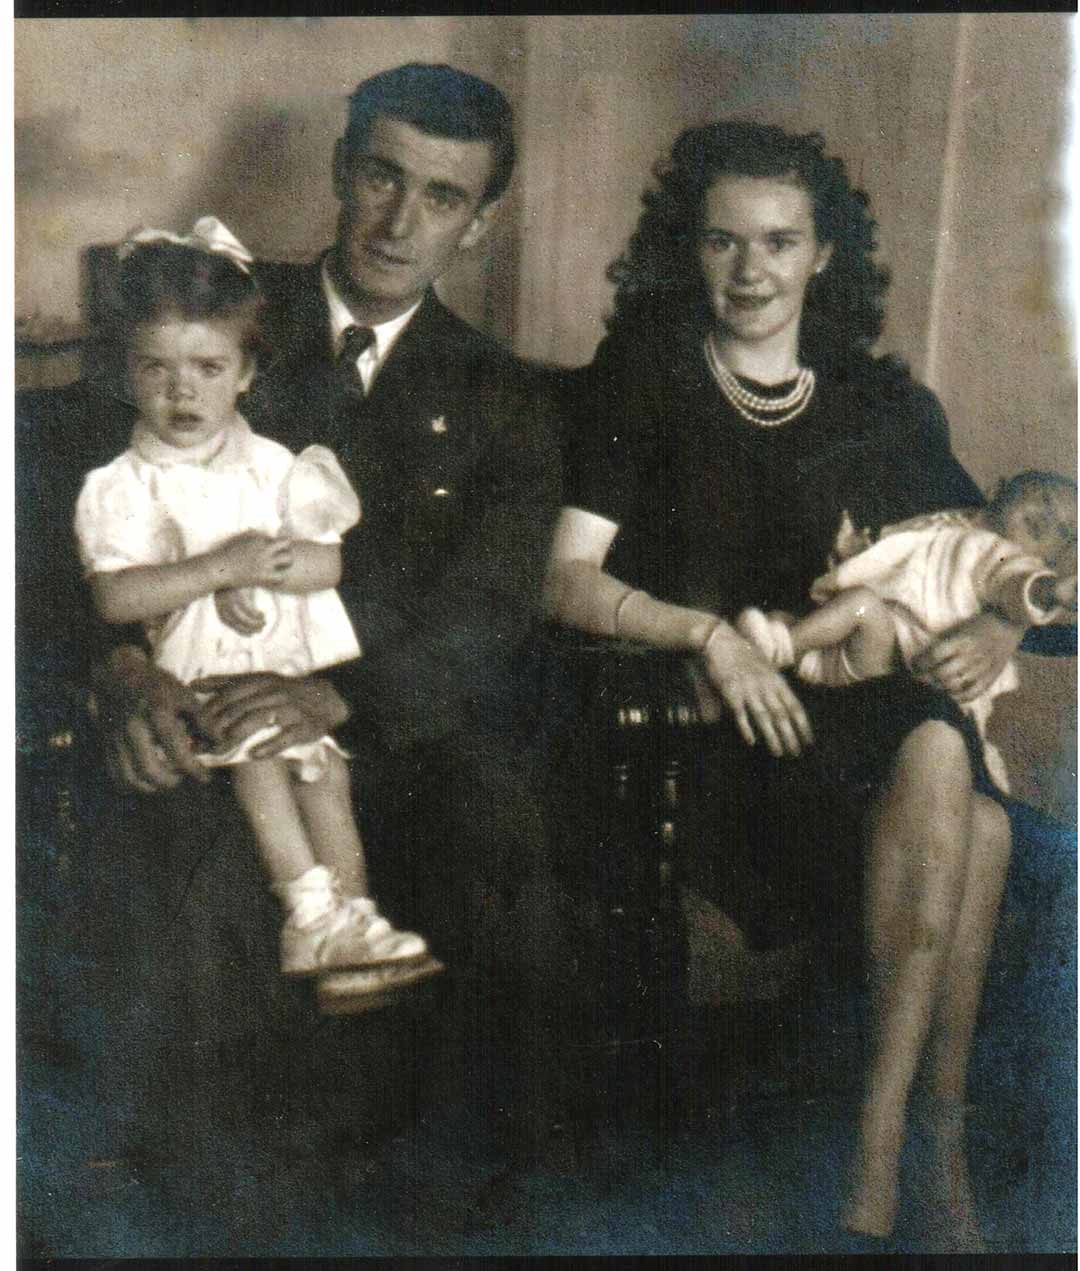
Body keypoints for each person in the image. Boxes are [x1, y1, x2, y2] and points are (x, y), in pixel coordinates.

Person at [25, 63, 569, 1181]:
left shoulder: (503, 396)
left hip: (396, 723)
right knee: (174, 861)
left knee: (500, 860)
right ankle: (197, 1199)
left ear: (481, 222)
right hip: (196, 694)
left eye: (441, 195)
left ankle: (447, 1201)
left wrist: (339, 694)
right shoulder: (209, 313)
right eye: (381, 175)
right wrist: (121, 676)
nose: (399, 219)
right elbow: (58, 532)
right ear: (340, 166)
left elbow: (490, 604)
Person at [544, 120, 1049, 1244]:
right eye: (724, 243)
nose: (751, 271)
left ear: (825, 254)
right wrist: (711, 636)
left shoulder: (882, 406)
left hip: (869, 715)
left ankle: (893, 1151)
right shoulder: (648, 379)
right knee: (977, 818)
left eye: (779, 242)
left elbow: (1006, 561)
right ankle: (919, 1150)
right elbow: (564, 579)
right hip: (717, 732)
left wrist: (1003, 633)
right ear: (692, 247)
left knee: (954, 777)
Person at [74, 221, 440, 992]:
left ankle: (353, 920)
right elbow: (116, 593)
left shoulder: (274, 463)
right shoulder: (125, 484)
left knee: (326, 776)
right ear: (124, 374)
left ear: (245, 374)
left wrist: (270, 570)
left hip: (283, 662)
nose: (183, 391)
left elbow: (326, 560)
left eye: (208, 367)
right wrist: (218, 568)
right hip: (196, 667)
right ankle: (308, 917)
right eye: (157, 369)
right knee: (265, 769)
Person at [736, 469, 1078, 793]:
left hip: (900, 668)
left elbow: (1019, 586)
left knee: (861, 606)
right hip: (857, 654)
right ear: (996, 490)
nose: (1050, 521)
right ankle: (768, 649)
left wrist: (1050, 592)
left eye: (1065, 532)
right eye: (1044, 500)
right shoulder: (941, 523)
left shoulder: (1002, 558)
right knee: (785, 617)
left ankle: (778, 649)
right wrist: (855, 552)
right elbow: (892, 556)